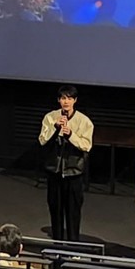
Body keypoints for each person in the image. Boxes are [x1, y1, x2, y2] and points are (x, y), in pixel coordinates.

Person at [38, 85, 94, 241]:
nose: (66, 102)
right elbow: (42, 140)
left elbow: (86, 145)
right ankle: (57, 243)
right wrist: (55, 128)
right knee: (55, 209)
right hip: (54, 171)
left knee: (73, 211)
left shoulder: (84, 121)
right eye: (63, 98)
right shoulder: (50, 117)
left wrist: (70, 135)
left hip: (73, 172)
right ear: (58, 100)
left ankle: (73, 245)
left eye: (69, 98)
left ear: (75, 100)